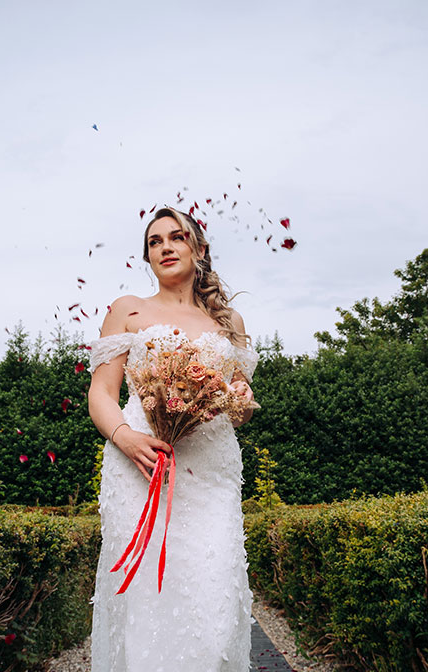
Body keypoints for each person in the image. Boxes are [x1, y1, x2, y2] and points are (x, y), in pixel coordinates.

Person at [87, 206, 259, 671]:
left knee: (215, 597)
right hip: (141, 466)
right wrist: (126, 438)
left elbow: (239, 408)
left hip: (210, 472)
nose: (165, 246)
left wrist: (238, 396)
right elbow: (101, 394)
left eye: (176, 237)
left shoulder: (230, 323)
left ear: (198, 248)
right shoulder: (128, 310)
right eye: (154, 241)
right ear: (148, 256)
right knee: (146, 599)